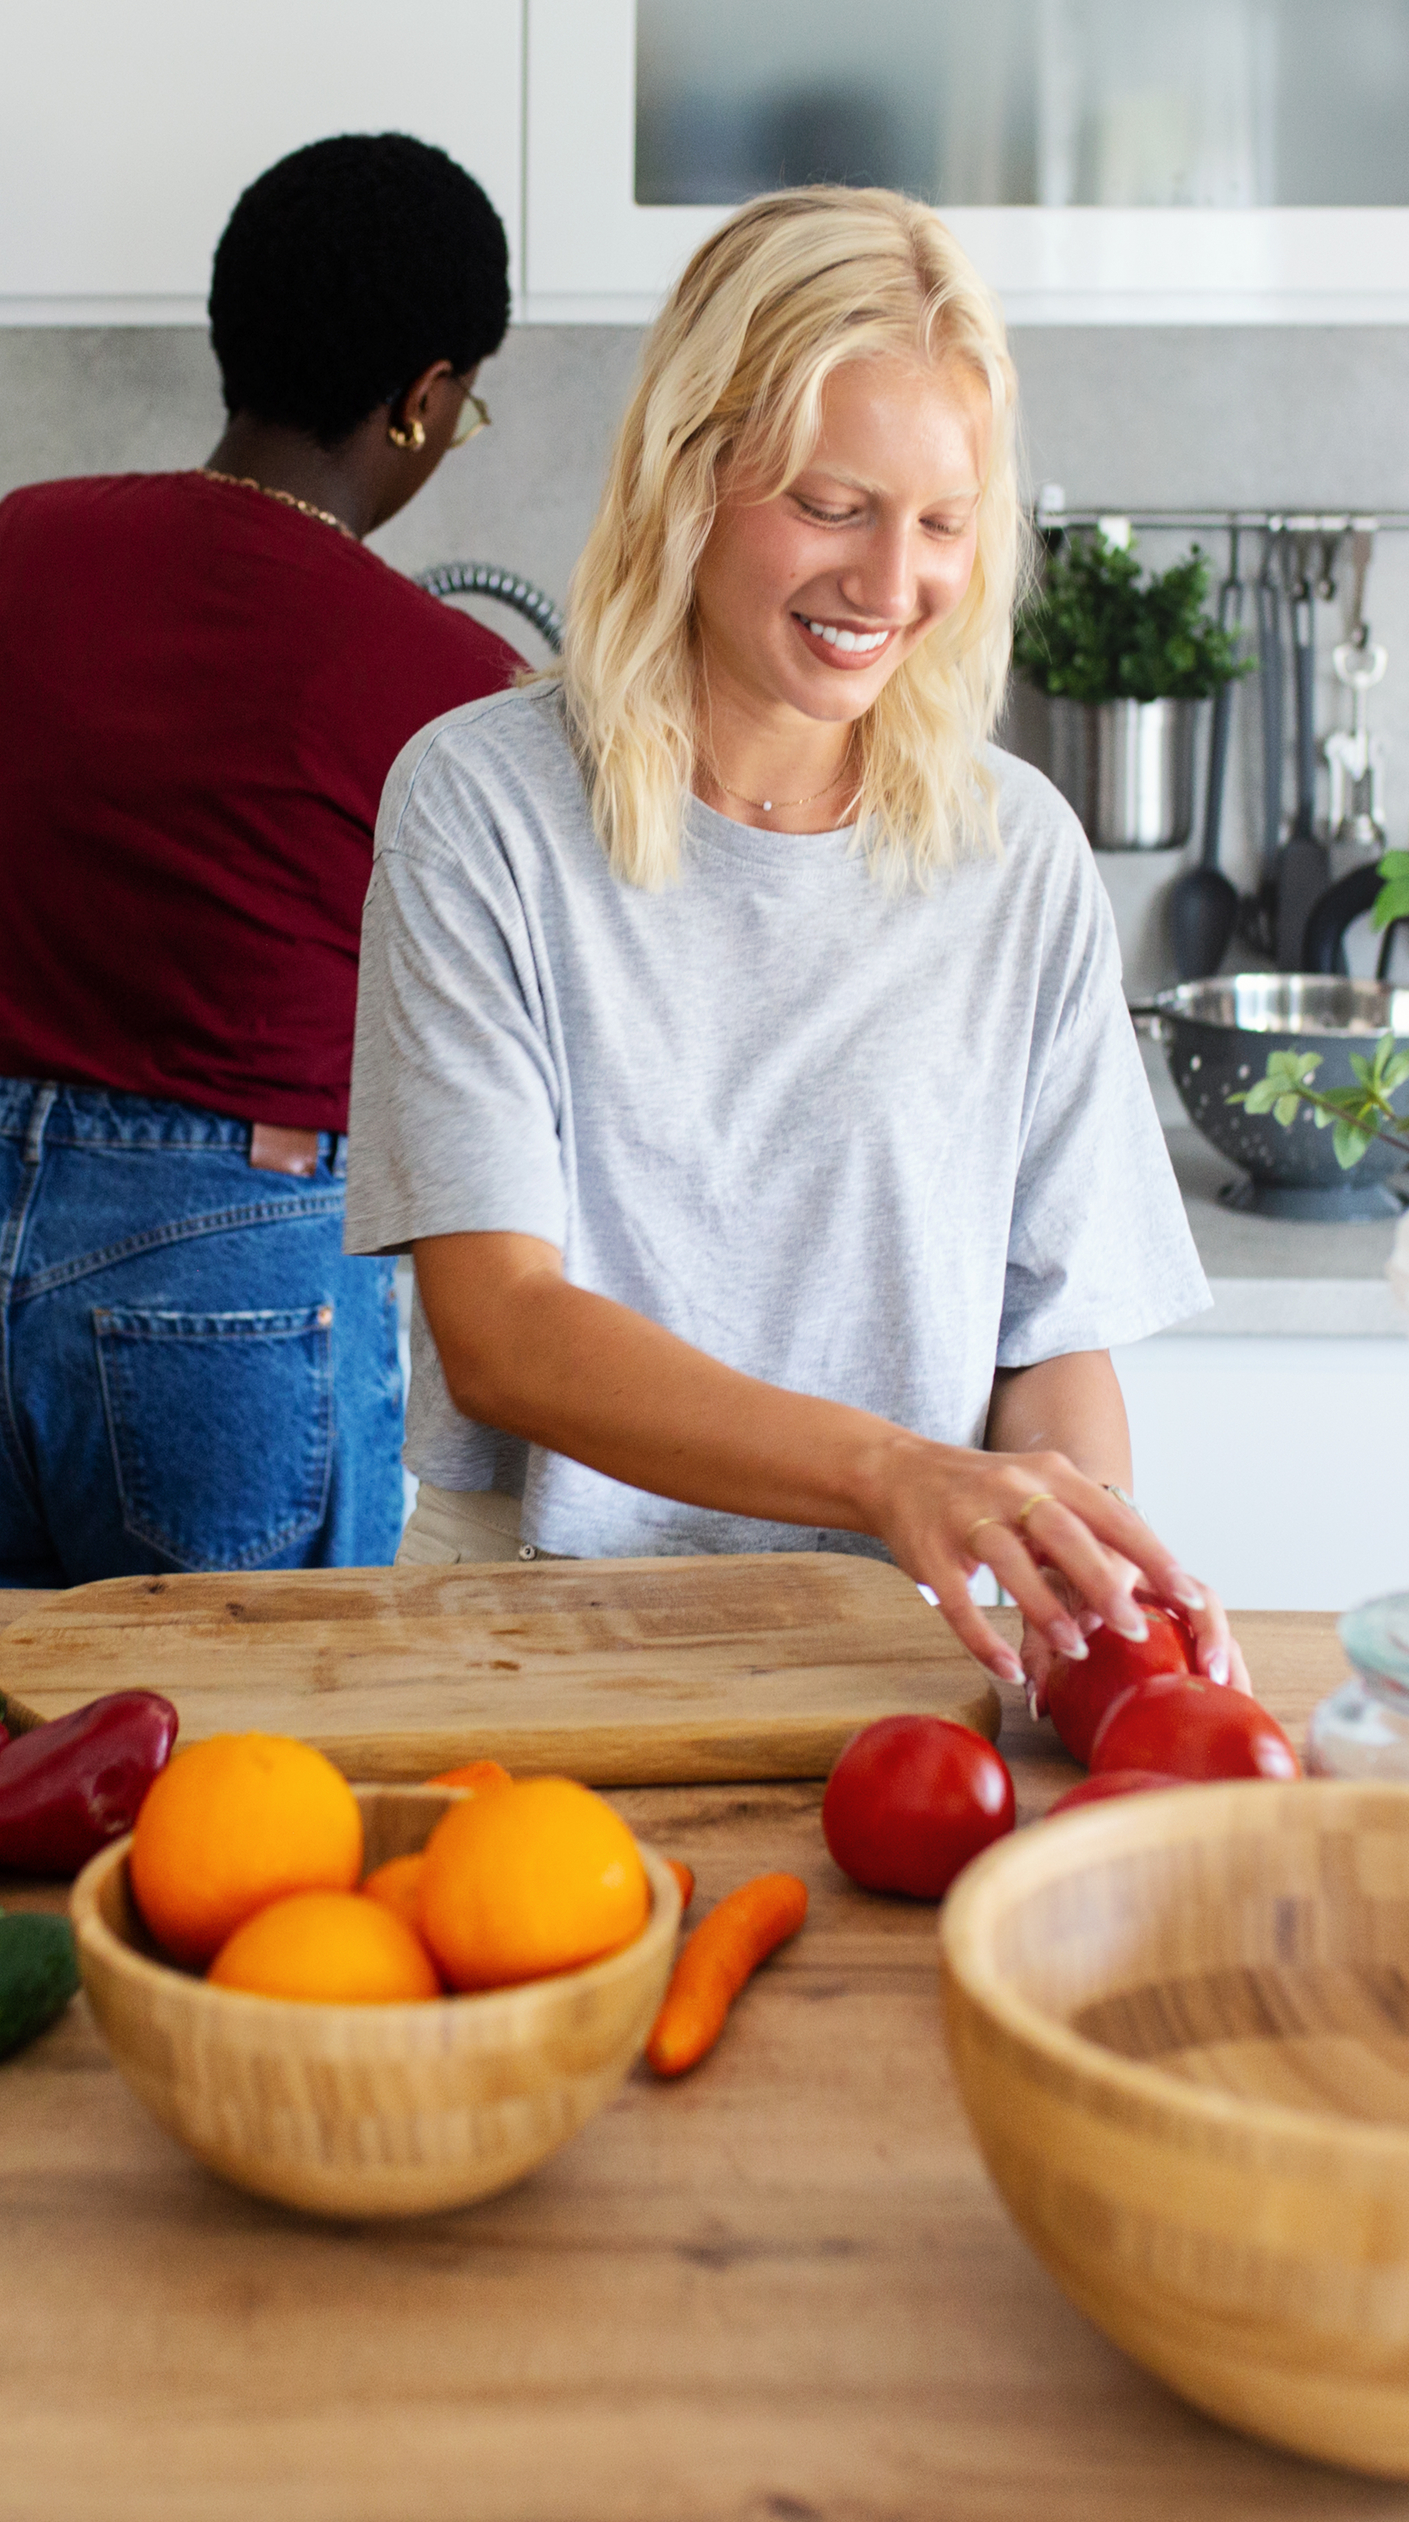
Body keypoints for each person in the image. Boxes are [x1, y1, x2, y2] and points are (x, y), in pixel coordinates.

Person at [341, 187, 1241, 1697]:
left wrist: (1087, 1572)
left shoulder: (1014, 854)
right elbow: (500, 1326)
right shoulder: (479, 807)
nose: (894, 588)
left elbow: (1051, 1337)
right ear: (689, 473)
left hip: (909, 1650)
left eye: (944, 523)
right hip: (540, 1637)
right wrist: (897, 1474)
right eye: (834, 506)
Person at [0, 132, 522, 1588]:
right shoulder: (450, 679)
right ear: (427, 400)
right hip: (225, 1261)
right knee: (246, 1789)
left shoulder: (17, 544)